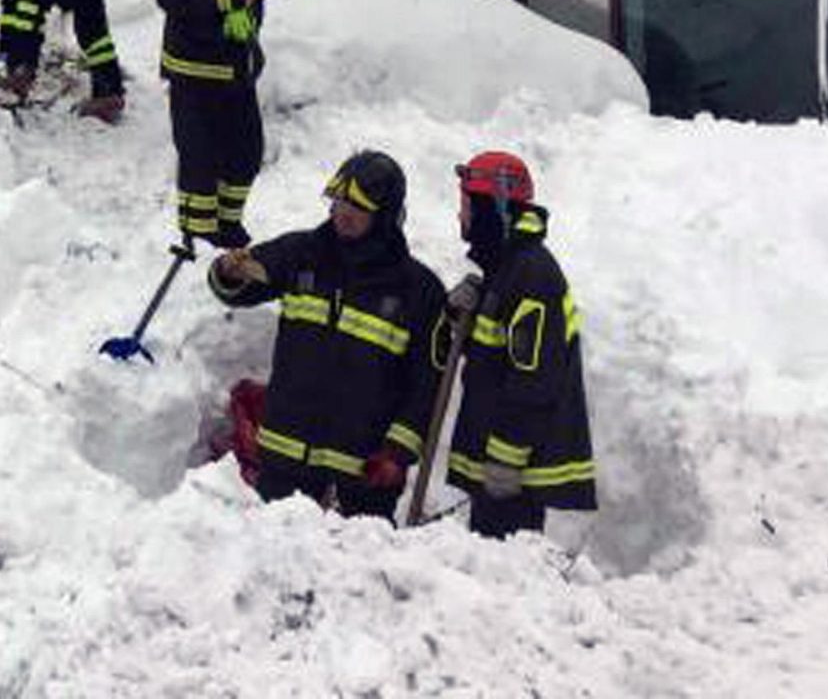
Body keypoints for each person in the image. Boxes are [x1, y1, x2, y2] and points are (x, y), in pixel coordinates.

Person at [208, 150, 450, 518]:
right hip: (285, 457)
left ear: (385, 216)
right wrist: (229, 271)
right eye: (338, 201)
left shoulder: (419, 291)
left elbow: (425, 387)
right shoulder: (302, 254)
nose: (343, 213)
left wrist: (397, 455)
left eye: (358, 207)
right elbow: (237, 285)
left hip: (364, 474)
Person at [444, 149, 597, 539]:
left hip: (513, 472)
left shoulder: (532, 275)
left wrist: (506, 458)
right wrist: (462, 316)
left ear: (491, 208)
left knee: (502, 570)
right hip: (499, 462)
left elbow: (534, 377)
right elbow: (491, 359)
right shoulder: (505, 269)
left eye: (466, 205)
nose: (460, 216)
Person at [155, 0, 302, 249]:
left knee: (245, 151)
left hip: (237, 64)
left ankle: (227, 222)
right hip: (193, 66)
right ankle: (196, 233)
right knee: (199, 156)